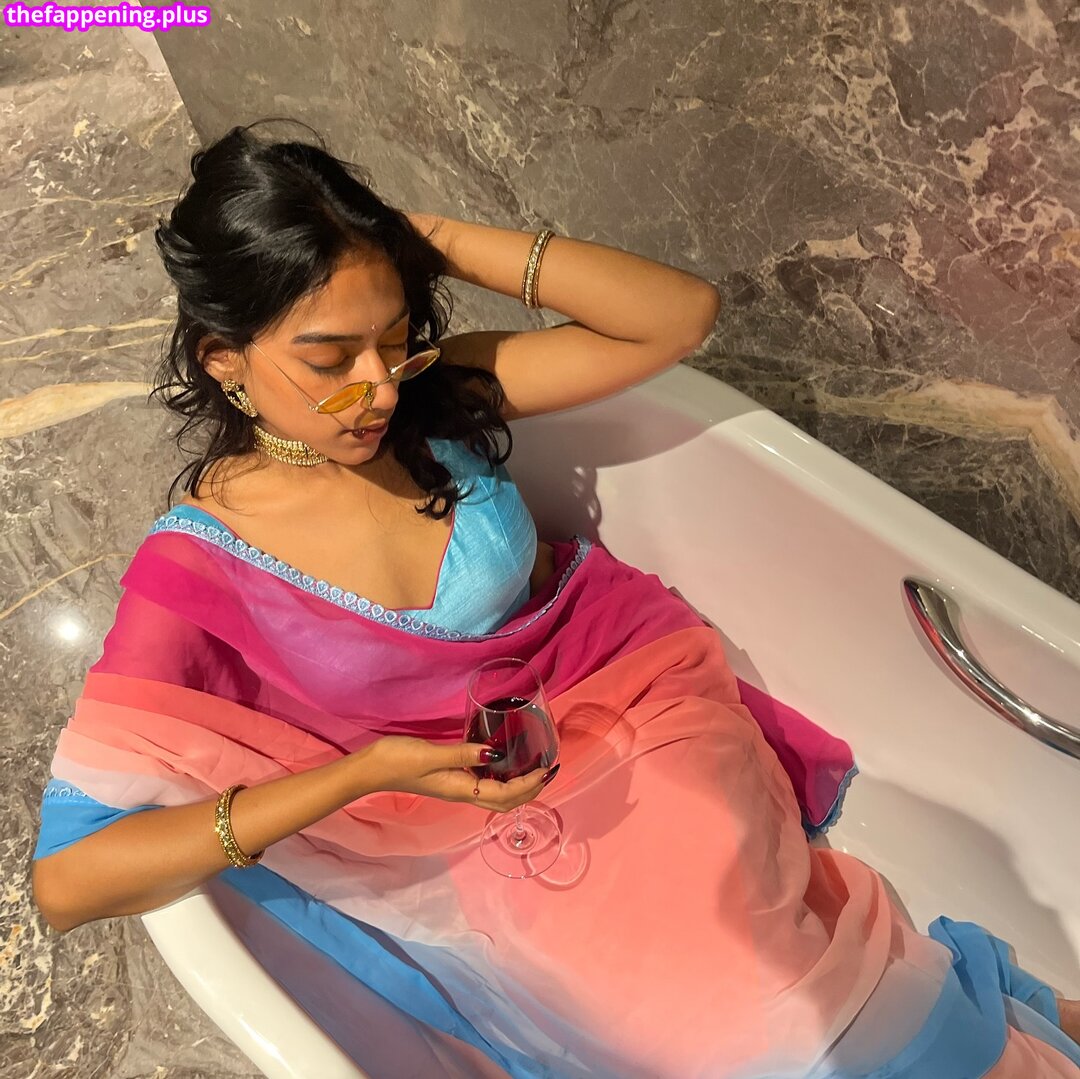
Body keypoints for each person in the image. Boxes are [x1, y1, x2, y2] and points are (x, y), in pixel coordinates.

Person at [29, 119, 1080, 1079]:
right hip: (471, 831)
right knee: (745, 1026)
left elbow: (673, 320)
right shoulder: (199, 568)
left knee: (774, 980)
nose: (378, 386)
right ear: (224, 361)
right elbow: (68, 881)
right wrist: (361, 773)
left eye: (393, 336)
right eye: (330, 358)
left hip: (642, 711)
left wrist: (416, 238)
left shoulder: (431, 398)